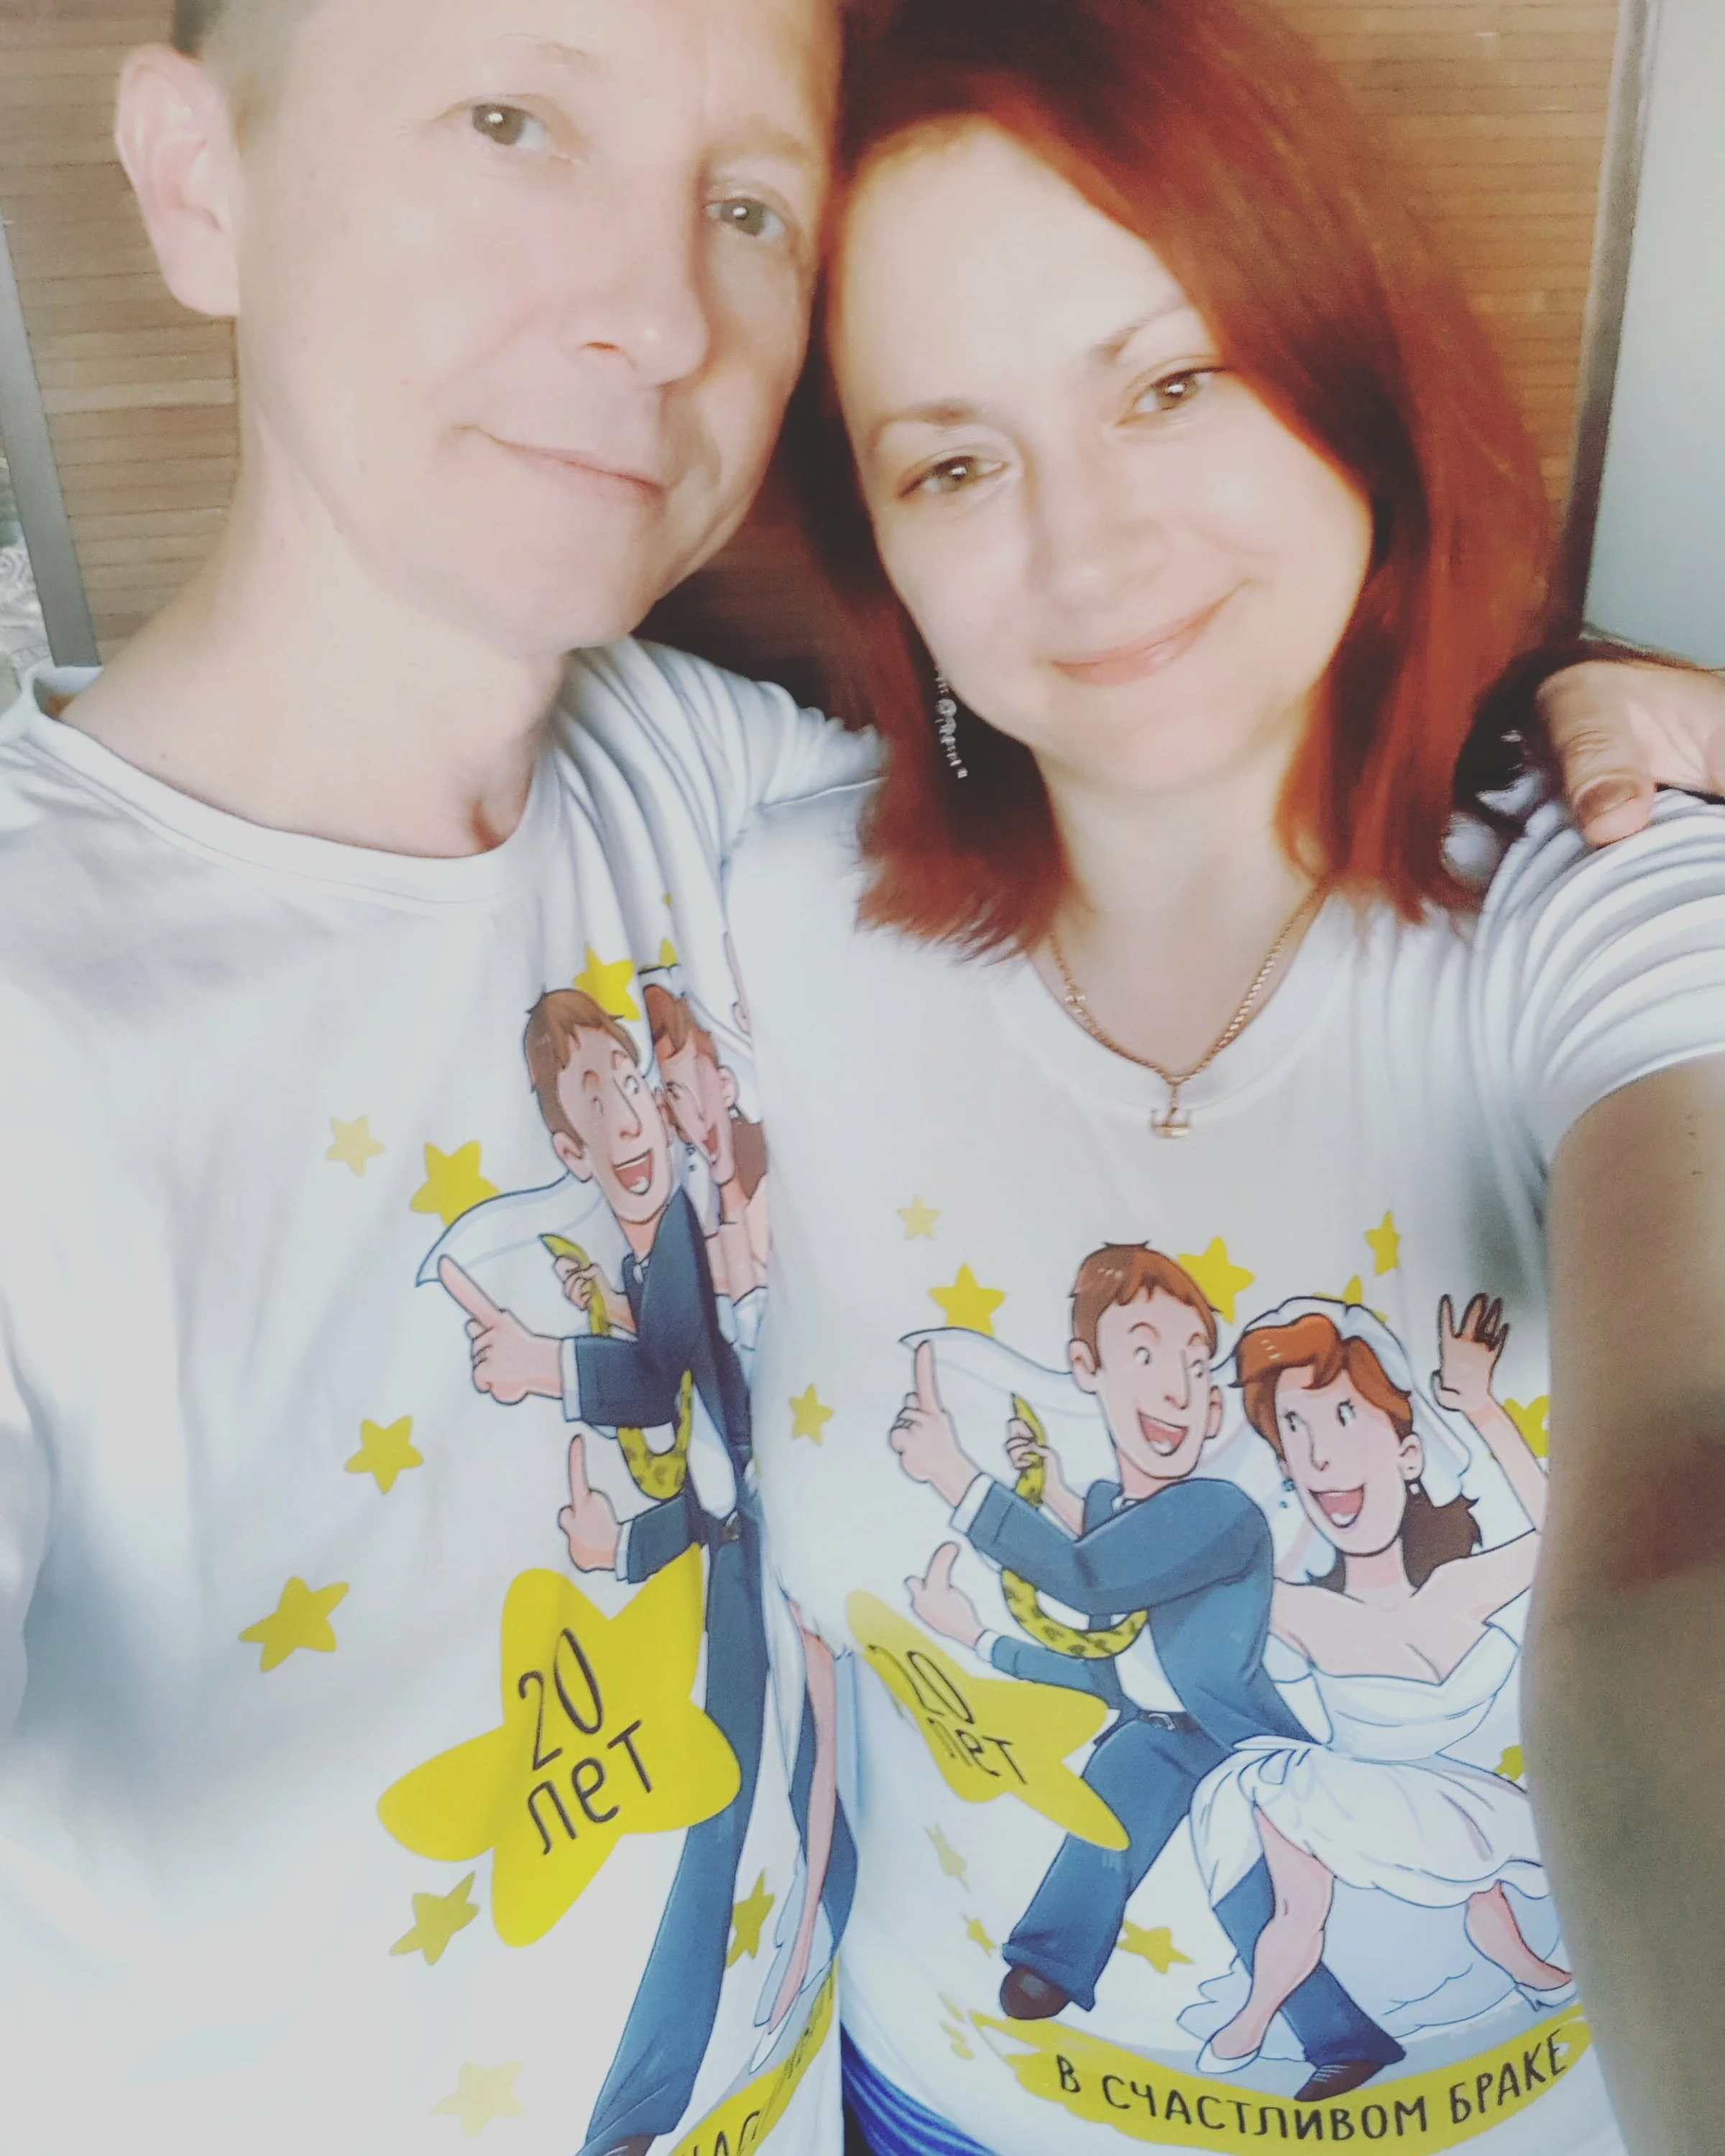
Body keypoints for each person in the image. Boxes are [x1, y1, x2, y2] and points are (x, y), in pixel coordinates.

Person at [0, 0, 1711, 2152]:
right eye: (511, 119)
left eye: (742, 207)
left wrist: (1570, 694)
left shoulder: (707, 805)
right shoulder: (59, 1016)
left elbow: (1677, 1528)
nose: (655, 313)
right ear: (193, 179)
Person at [717, 1, 1725, 2152]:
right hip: (942, 2108)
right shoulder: (757, 917)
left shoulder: (1605, 890)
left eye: (1167, 384)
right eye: (953, 462)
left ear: (1339, 373)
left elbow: (1684, 1525)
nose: (1085, 548)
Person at [890, 1244, 1407, 2100]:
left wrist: (958, 1477)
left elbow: (1089, 1576)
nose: (1176, 1390)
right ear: (1086, 1368)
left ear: (1214, 1408)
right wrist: (978, 1631)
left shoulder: (1218, 1513)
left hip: (1236, 1745)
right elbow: (1099, 1654)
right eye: (1144, 1355)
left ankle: (1343, 2040)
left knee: (1251, 1895)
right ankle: (1052, 1960)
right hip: (1155, 1734)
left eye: (1195, 1366)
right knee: (1102, 1812)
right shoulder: (1115, 1511)